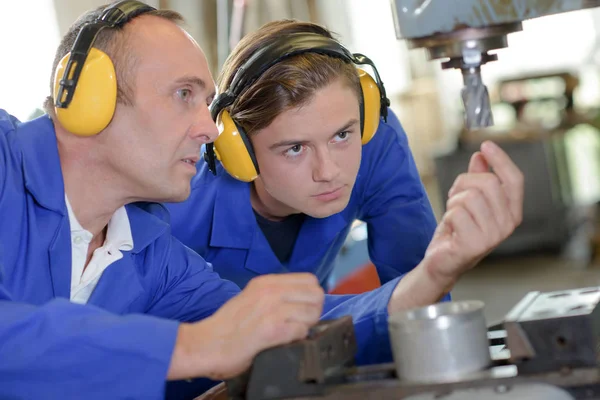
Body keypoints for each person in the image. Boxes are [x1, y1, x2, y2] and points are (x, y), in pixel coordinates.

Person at [0, 2, 523, 399]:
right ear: (86, 98)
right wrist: (192, 348)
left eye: (207, 104)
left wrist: (436, 270)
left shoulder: (155, 259)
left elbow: (301, 336)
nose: (208, 129)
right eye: (184, 94)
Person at [165, 19, 524, 292]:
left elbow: (413, 280)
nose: (329, 171)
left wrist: (445, 263)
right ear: (237, 149)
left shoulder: (374, 139)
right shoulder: (176, 214)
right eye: (295, 148)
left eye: (341, 135)